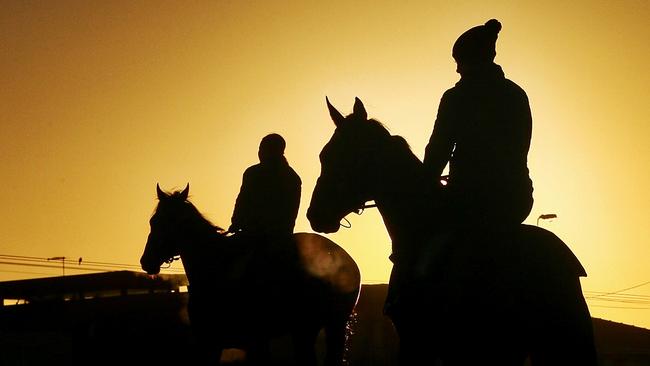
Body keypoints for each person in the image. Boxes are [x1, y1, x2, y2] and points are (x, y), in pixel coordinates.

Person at [424, 19, 534, 228]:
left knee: (426, 229)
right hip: (517, 199)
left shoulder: (457, 97)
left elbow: (439, 149)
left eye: (459, 62)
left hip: (471, 199)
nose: (457, 70)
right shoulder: (516, 94)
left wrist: (424, 183)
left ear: (471, 60)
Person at [229, 133, 302, 238]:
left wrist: (236, 223)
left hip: (255, 234)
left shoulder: (253, 173)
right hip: (281, 235)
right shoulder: (293, 177)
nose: (260, 152)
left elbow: (242, 201)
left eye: (262, 149)